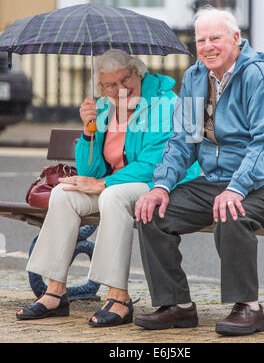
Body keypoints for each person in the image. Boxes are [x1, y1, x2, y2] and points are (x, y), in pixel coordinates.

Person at [134, 7, 264, 336]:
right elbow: (182, 140)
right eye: (201, 40)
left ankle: (248, 308)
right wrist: (161, 186)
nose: (207, 46)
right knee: (152, 212)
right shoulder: (195, 77)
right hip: (216, 181)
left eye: (215, 38)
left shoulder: (257, 76)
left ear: (236, 39)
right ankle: (176, 305)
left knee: (231, 211)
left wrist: (236, 188)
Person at [16, 49, 199, 326]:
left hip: (160, 184)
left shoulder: (164, 103)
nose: (120, 89)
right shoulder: (103, 107)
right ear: (101, 86)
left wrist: (103, 183)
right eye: (110, 85)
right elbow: (91, 171)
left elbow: (156, 161)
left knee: (113, 196)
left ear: (138, 73)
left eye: (125, 79)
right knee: (63, 194)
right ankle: (54, 293)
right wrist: (89, 132)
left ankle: (119, 297)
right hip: (116, 184)